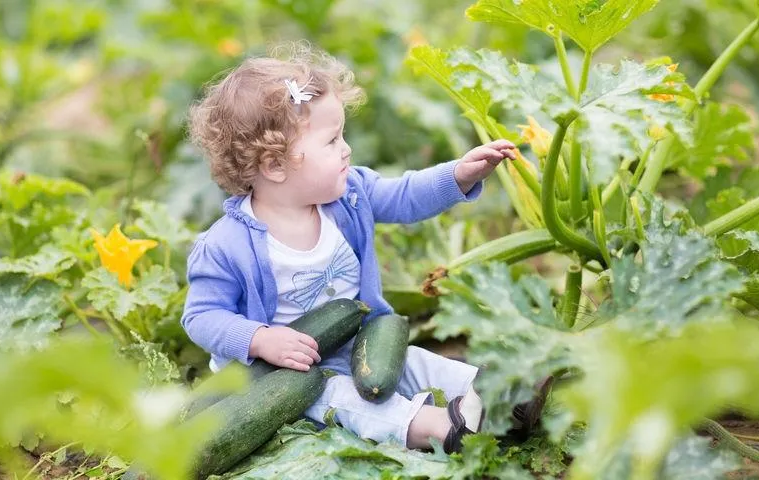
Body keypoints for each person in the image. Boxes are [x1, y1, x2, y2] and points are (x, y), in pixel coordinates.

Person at [181, 42, 546, 453]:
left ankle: (503, 393)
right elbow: (202, 317)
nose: (346, 149)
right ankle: (440, 428)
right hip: (287, 375)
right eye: (332, 140)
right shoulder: (226, 245)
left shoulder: (349, 194)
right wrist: (260, 339)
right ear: (275, 166)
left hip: (359, 341)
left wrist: (458, 176)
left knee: (416, 362)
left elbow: (405, 195)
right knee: (346, 403)